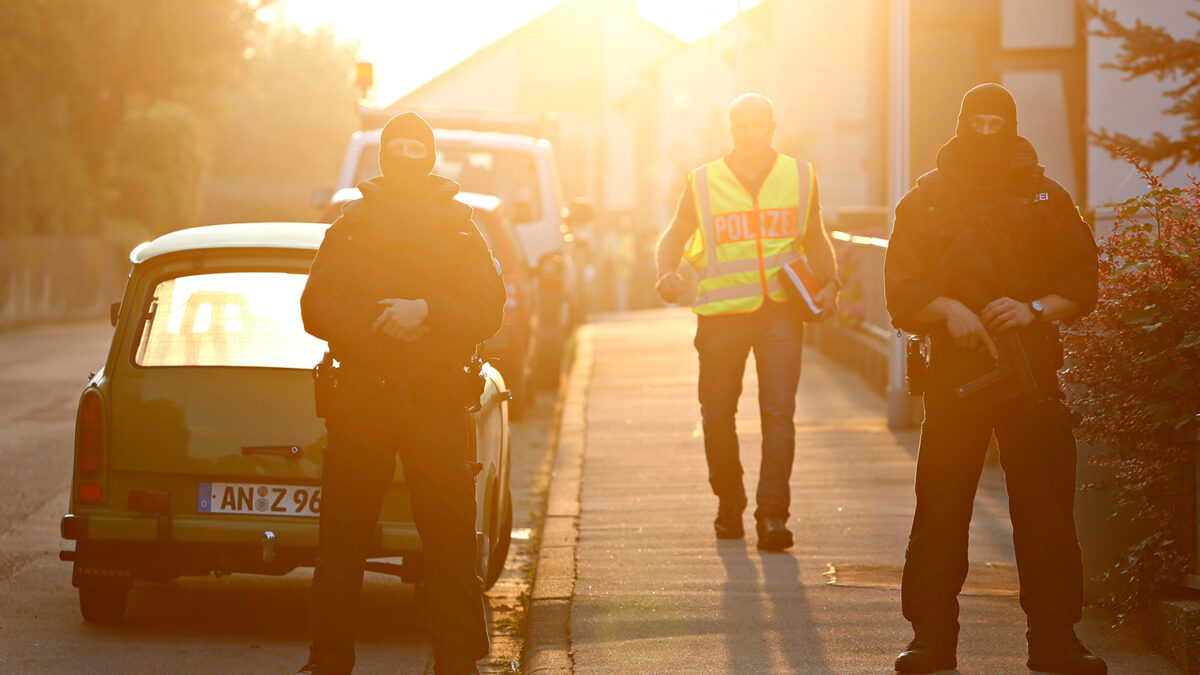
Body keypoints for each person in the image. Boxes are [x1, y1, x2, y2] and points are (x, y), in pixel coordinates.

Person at [884, 83, 1104, 674]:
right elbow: (900, 292)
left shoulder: (1044, 197)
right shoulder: (925, 200)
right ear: (960, 125)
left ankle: (1056, 641)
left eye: (995, 124)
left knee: (1046, 514)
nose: (986, 135)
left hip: (1031, 376)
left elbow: (1083, 282)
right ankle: (931, 641)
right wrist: (946, 309)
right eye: (975, 123)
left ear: (1010, 126)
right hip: (955, 378)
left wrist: (1033, 308)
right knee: (940, 510)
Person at [298, 112, 505, 675]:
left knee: (450, 540)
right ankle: (328, 660)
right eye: (400, 149)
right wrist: (377, 318)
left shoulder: (462, 228)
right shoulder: (352, 225)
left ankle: (457, 660)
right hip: (362, 401)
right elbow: (315, 305)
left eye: (419, 149)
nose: (409, 158)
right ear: (384, 156)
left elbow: (489, 304)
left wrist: (427, 314)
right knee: (341, 543)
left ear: (432, 158)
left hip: (436, 403)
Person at [655, 93, 840, 552]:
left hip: (780, 311)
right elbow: (675, 235)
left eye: (760, 123)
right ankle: (729, 505)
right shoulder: (702, 182)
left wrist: (831, 281)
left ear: (772, 125)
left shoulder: (799, 176)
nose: (752, 131)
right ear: (732, 128)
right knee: (717, 417)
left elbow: (815, 236)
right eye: (743, 124)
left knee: (778, 416)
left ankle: (773, 517)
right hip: (720, 318)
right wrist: (666, 271)